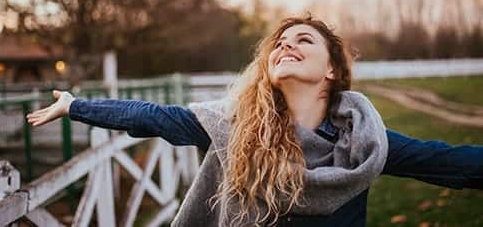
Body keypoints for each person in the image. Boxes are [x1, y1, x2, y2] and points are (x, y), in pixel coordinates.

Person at [27, 14, 483, 227]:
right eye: (280, 43)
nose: (285, 46)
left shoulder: (361, 144)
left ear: (331, 70)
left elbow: (444, 162)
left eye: (303, 40)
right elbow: (155, 117)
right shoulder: (235, 130)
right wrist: (75, 105)